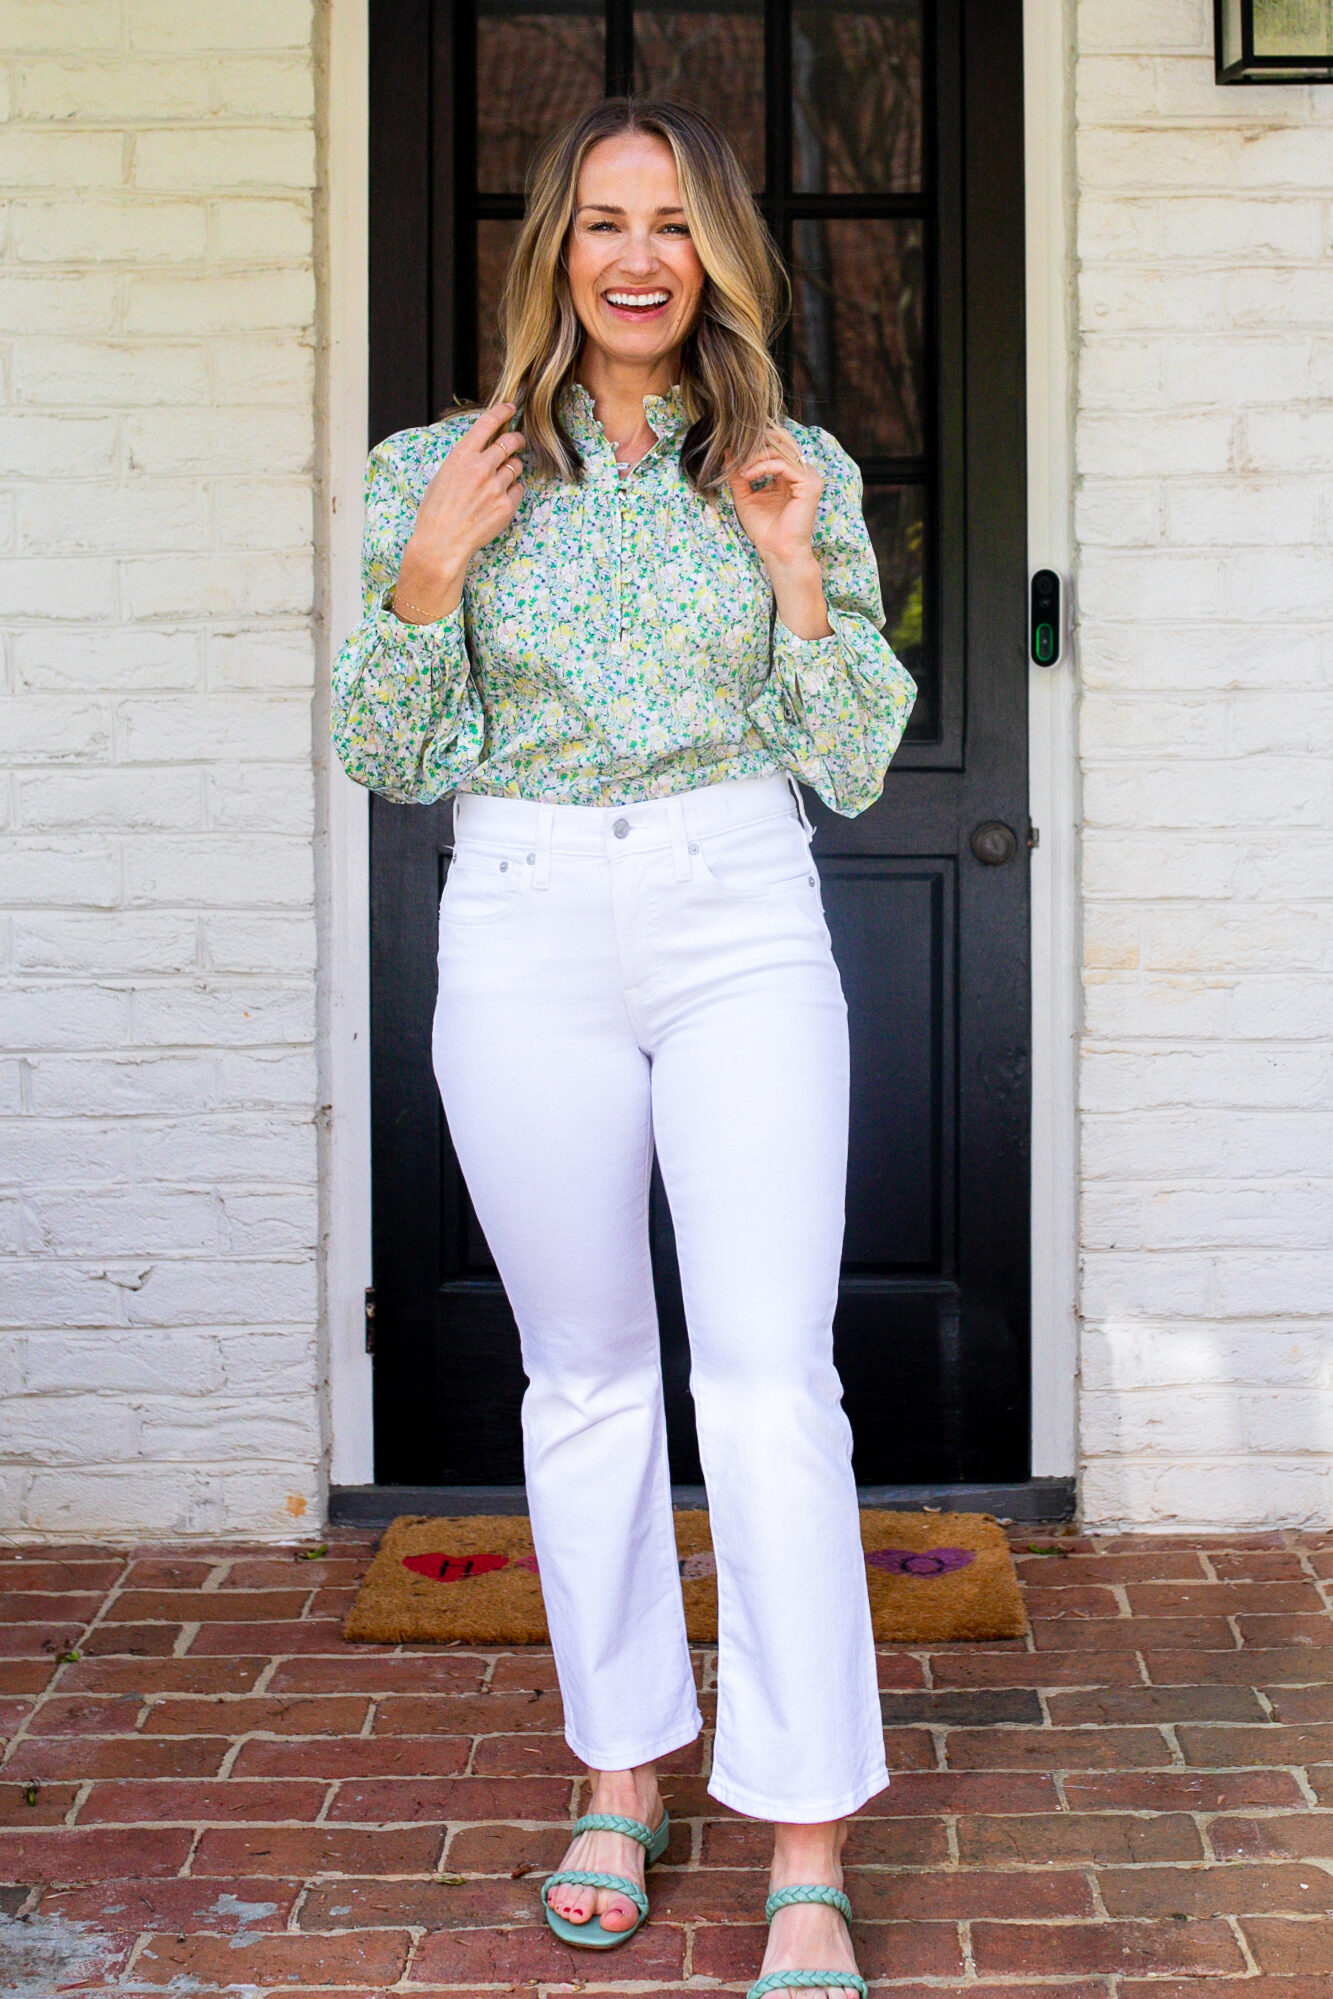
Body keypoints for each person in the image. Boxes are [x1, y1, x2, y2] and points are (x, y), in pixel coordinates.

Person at [333, 95, 916, 1999]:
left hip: (737, 908)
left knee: (766, 1381)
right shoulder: (442, 463)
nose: (636, 256)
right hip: (517, 920)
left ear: (717, 252)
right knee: (583, 1379)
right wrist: (427, 572)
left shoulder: (791, 463)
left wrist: (792, 572)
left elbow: (847, 754)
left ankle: (807, 1835)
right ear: (554, 252)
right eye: (601, 221)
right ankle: (620, 1776)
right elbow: (391, 754)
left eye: (671, 222)